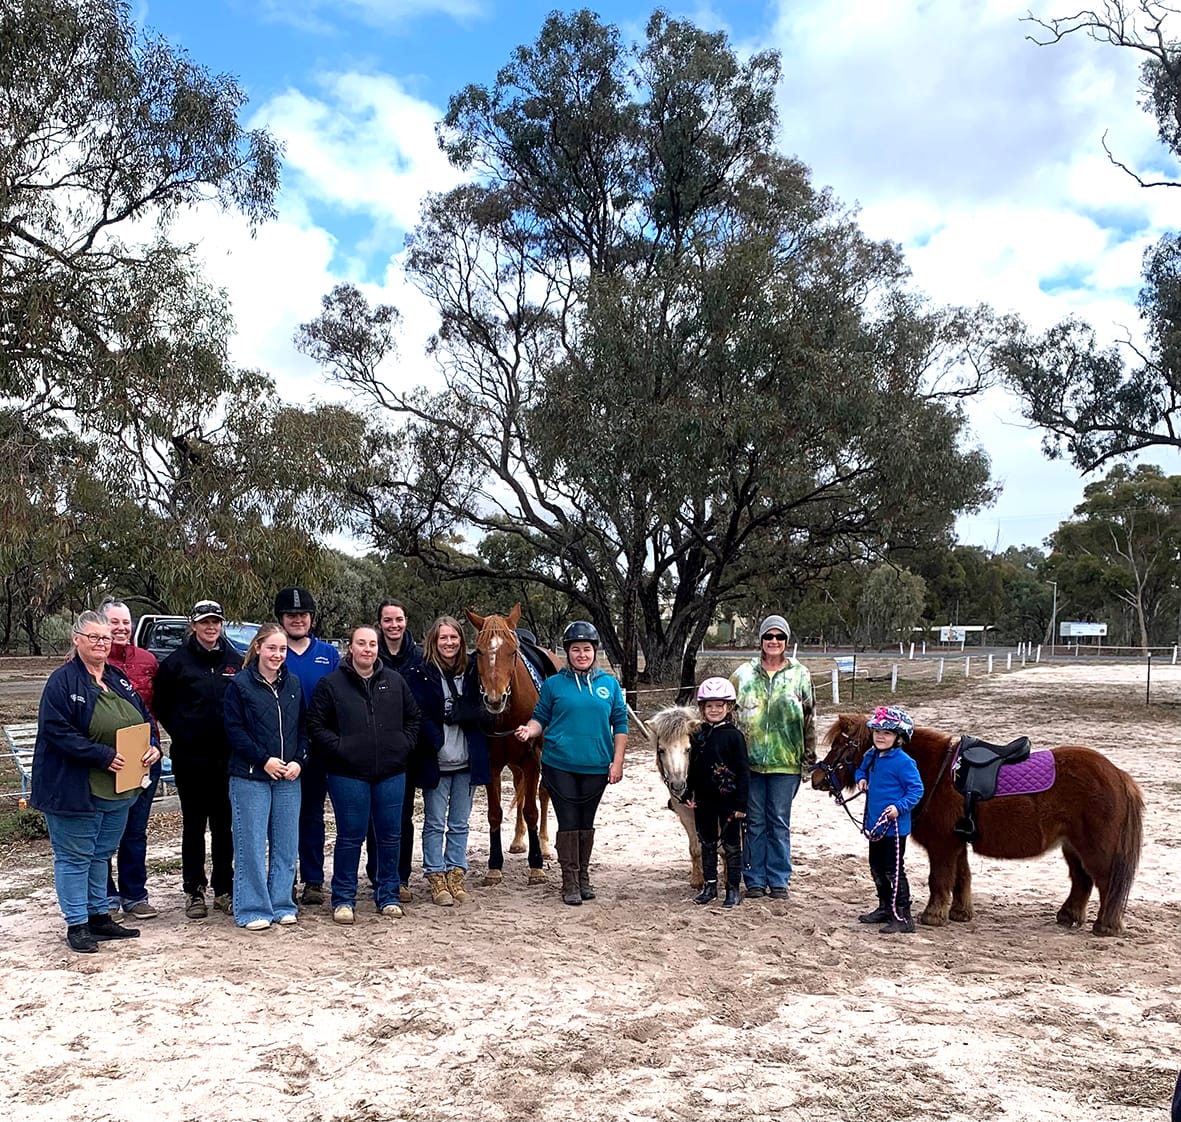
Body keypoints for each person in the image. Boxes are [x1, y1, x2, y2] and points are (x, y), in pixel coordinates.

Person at [31, 610, 162, 952]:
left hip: (118, 789)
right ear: (76, 640)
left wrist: (152, 746)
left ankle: (99, 916)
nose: (101, 643)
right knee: (74, 857)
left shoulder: (117, 678)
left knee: (100, 854)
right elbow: (56, 730)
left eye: (105, 637)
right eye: (94, 637)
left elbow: (144, 717)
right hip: (74, 787)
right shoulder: (63, 681)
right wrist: (101, 755)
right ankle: (77, 924)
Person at [308, 626, 421, 924]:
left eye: (372, 643)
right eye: (361, 643)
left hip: (391, 773)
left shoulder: (395, 682)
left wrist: (402, 746)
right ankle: (344, 898)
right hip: (347, 774)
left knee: (390, 836)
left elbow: (414, 717)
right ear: (351, 647)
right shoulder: (331, 684)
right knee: (350, 836)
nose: (367, 649)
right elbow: (316, 725)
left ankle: (388, 895)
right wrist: (340, 748)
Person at [514, 620, 627, 906]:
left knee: (586, 822)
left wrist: (617, 762)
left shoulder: (609, 685)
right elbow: (540, 717)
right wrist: (530, 730)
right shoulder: (553, 685)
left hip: (597, 766)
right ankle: (570, 881)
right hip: (559, 765)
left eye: (586, 649)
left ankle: (583, 876)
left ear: (594, 651)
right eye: (575, 649)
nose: (581, 654)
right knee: (568, 821)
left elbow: (620, 724)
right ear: (568, 652)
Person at [153, 599, 243, 919]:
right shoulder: (174, 663)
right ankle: (194, 890)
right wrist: (183, 732)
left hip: (226, 759)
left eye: (215, 621)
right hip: (190, 759)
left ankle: (224, 889)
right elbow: (161, 706)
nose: (210, 627)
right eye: (204, 622)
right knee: (193, 826)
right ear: (193, 625)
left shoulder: (235, 661)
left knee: (224, 827)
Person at [223, 623, 307, 931]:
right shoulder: (240, 685)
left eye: (282, 649)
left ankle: (282, 903)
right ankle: (252, 908)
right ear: (258, 647)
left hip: (288, 778)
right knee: (251, 845)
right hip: (250, 777)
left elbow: (303, 728)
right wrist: (264, 760)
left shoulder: (293, 683)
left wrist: (299, 760)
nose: (277, 654)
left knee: (286, 845)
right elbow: (234, 731)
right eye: (272, 647)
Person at [403, 616, 491, 908]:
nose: (449, 643)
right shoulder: (420, 673)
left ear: (461, 641)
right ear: (434, 641)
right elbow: (416, 713)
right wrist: (436, 738)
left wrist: (468, 712)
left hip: (467, 759)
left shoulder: (474, 670)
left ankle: (456, 872)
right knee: (434, 822)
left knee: (460, 823)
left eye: (454, 637)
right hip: (436, 761)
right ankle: (435, 874)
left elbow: (488, 708)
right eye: (443, 638)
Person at [729, 614, 815, 900]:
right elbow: (726, 714)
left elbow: (810, 719)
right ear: (761, 640)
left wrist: (809, 760)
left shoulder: (800, 674)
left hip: (786, 763)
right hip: (748, 764)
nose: (773, 641)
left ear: (786, 641)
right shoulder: (743, 674)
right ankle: (754, 879)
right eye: (768, 636)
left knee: (778, 821)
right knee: (754, 822)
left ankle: (779, 879)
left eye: (779, 637)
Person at [274, 586, 339, 908]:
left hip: (318, 748)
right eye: (291, 615)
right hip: (282, 749)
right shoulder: (273, 651)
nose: (297, 620)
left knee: (313, 815)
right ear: (281, 618)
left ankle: (313, 879)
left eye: (302, 614)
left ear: (311, 617)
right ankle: (284, 880)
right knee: (282, 819)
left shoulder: (328, 654)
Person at [100, 598, 162, 920]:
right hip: (105, 760)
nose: (121, 628)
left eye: (126, 622)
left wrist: (156, 745)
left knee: (135, 830)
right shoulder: (88, 662)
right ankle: (105, 896)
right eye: (114, 622)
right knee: (103, 833)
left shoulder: (148, 661)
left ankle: (135, 895)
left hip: (144, 757)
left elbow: (159, 709)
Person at [855, 705, 924, 935]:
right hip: (875, 825)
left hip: (894, 828)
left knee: (893, 870)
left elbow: (916, 790)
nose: (880, 737)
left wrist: (899, 807)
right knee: (876, 867)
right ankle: (885, 907)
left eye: (887, 733)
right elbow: (861, 770)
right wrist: (861, 778)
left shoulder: (904, 762)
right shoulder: (872, 755)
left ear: (899, 738)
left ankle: (903, 916)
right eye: (877, 732)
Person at [376, 599, 426, 902]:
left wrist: (408, 742)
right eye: (388, 620)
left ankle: (401, 877)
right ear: (380, 623)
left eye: (398, 619)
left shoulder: (421, 658)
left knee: (402, 817)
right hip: (371, 751)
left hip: (407, 752)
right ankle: (376, 875)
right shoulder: (370, 654)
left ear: (406, 621)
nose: (394, 625)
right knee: (374, 820)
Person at [686, 677, 749, 909]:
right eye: (709, 706)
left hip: (729, 801)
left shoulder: (735, 736)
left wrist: (741, 804)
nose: (714, 710)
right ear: (702, 708)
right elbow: (693, 768)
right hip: (704, 800)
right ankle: (710, 886)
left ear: (728, 707)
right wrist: (688, 794)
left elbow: (743, 771)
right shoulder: (698, 735)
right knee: (707, 843)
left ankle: (732, 889)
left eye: (719, 705)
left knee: (731, 845)